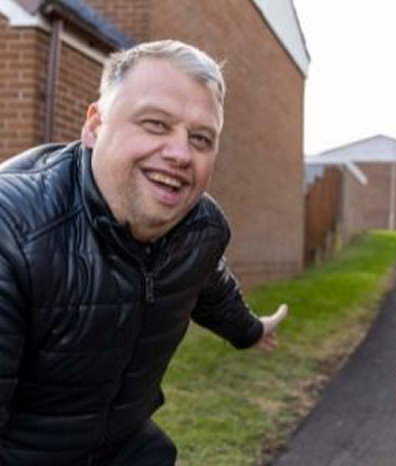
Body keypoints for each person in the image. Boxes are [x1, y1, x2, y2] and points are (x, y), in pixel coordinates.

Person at [0, 40, 288, 465]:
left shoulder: (200, 227)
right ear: (95, 126)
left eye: (201, 138)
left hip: (129, 448)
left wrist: (251, 331)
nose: (180, 153)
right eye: (155, 124)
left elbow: (212, 284)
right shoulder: (14, 232)